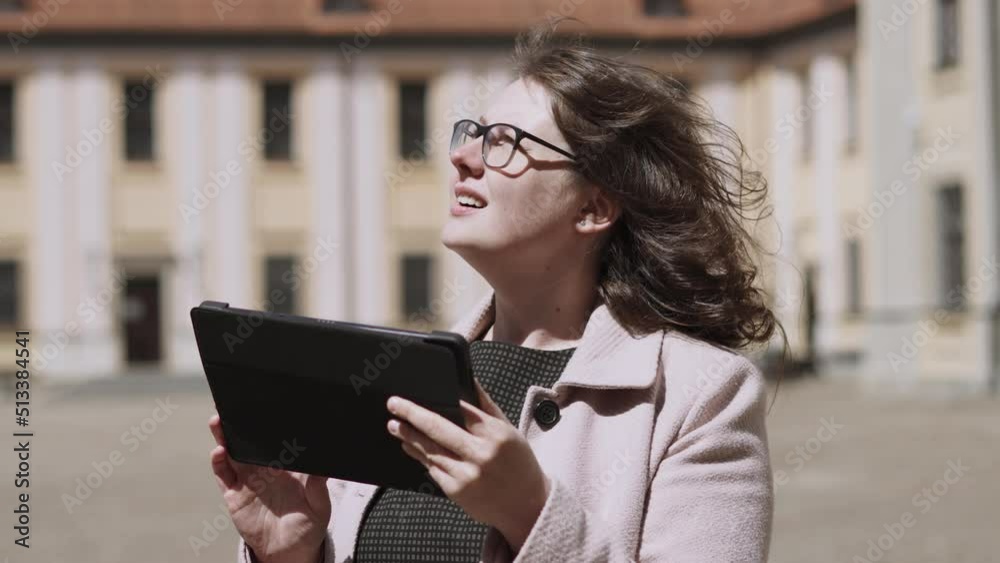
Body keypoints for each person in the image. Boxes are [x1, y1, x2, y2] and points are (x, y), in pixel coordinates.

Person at [207, 21, 783, 563]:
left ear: (593, 207)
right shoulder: (395, 376)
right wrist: (294, 553)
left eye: (504, 142)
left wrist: (530, 511)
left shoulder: (700, 395)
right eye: (474, 133)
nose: (462, 156)